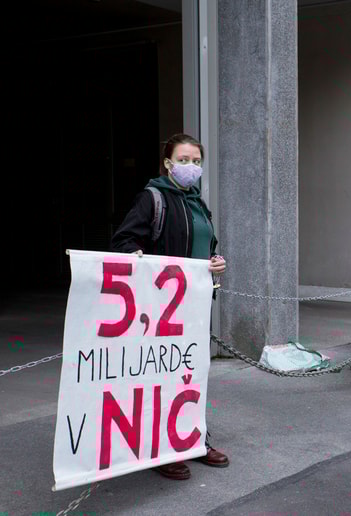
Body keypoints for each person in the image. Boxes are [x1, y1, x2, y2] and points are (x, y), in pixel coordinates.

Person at [111, 133, 229, 480]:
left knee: (191, 375)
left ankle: (193, 438)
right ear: (167, 164)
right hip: (162, 309)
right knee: (163, 376)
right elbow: (123, 241)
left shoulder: (197, 203)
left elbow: (205, 247)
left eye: (196, 161)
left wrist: (214, 261)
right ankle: (163, 447)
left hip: (194, 306)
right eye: (184, 160)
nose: (191, 167)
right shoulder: (153, 198)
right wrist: (138, 258)